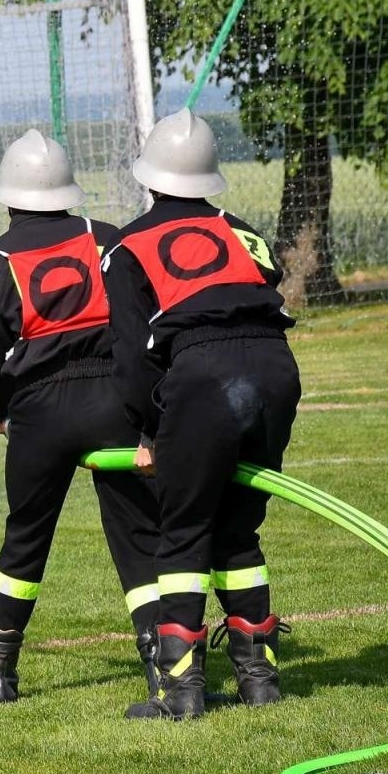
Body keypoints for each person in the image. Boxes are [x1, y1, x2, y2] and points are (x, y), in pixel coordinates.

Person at [103, 109, 301, 720]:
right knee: (239, 529)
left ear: (151, 178)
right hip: (275, 372)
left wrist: (150, 430)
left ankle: (181, 688)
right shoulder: (246, 233)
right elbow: (261, 291)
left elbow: (133, 361)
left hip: (202, 378)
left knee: (182, 531)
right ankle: (259, 677)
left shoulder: (128, 247)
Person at [0, 129, 162, 705]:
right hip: (114, 402)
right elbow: (139, 326)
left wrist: (0, 409)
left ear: (10, 197)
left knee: (25, 538)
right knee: (138, 534)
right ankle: (161, 661)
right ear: (69, 193)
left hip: (41, 413)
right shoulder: (106, 238)